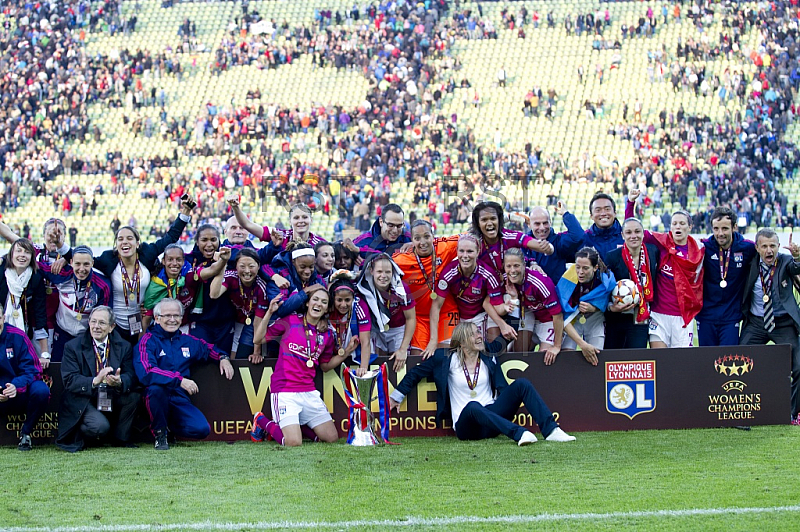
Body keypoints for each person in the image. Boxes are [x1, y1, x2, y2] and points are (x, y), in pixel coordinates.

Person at [389, 322, 575, 445]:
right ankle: (519, 434)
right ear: (461, 343)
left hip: (492, 420)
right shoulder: (445, 358)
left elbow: (506, 334)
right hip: (467, 425)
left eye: (479, 332)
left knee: (522, 384)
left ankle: (551, 430)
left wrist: (512, 303)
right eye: (473, 334)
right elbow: (415, 373)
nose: (479, 336)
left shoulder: (487, 354)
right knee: (473, 406)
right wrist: (397, 396)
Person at [251, 289, 354, 446]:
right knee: (293, 442)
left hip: (309, 391)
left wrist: (346, 353)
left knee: (332, 438)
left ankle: (295, 426)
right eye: (315, 299)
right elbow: (258, 338)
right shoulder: (290, 321)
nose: (318, 304)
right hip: (285, 391)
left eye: (324, 302)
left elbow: (325, 366)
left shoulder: (326, 334)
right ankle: (261, 421)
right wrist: (270, 313)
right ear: (307, 303)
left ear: (327, 309)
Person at [134, 298, 234, 450]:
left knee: (202, 430)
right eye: (167, 316)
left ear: (182, 319)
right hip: (155, 396)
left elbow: (207, 348)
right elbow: (146, 372)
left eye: (176, 316)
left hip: (179, 397)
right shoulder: (147, 341)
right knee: (155, 390)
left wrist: (223, 357)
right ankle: (159, 434)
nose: (172, 320)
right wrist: (179, 380)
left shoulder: (187, 340)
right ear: (157, 318)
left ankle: (168, 429)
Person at [94, 197, 194, 346]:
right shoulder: (108, 259)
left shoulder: (147, 253)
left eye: (129, 238)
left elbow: (170, 237)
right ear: (116, 245)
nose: (125, 242)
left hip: (141, 321)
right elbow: (84, 261)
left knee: (139, 356)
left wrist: (185, 211)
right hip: (115, 324)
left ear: (137, 243)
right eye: (120, 239)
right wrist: (65, 257)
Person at [56, 306, 140, 452]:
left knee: (133, 396)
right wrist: (95, 380)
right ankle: (81, 432)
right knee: (100, 427)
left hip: (111, 394)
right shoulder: (72, 347)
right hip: (83, 398)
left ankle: (120, 438)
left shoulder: (124, 346)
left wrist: (120, 381)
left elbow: (131, 375)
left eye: (101, 323)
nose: (96, 327)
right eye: (93, 322)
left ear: (111, 327)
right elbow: (69, 380)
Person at [626, 191, 704, 348]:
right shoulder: (661, 242)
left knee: (680, 364)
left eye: (682, 223)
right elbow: (632, 228)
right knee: (660, 361)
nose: (678, 227)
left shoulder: (699, 249)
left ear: (690, 227)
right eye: (674, 223)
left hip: (683, 316)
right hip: (658, 315)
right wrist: (630, 203)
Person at [739, 229, 800, 424]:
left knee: (799, 366)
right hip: (756, 323)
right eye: (764, 246)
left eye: (772, 246)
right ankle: (742, 409)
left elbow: (796, 268)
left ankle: (790, 413)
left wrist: (797, 256)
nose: (769, 250)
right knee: (739, 360)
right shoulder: (750, 265)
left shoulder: (785, 262)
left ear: (778, 246)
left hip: (783, 324)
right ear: (757, 247)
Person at [430, 234, 515, 353]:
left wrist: (505, 310)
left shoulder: (488, 275)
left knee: (485, 352)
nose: (465, 256)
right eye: (462, 251)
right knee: (447, 353)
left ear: (477, 252)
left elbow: (496, 306)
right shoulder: (449, 273)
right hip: (457, 317)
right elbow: (436, 305)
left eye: (470, 251)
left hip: (480, 316)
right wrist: (433, 340)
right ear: (457, 251)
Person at [392, 220, 460, 357]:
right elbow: (378, 267)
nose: (422, 242)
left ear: (433, 235)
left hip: (445, 313)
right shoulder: (401, 259)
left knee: (444, 356)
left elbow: (473, 235)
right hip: (419, 318)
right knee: (419, 359)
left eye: (426, 236)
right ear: (411, 239)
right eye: (417, 238)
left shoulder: (445, 246)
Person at [38, 246, 112, 360]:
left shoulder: (103, 285)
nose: (81, 269)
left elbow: (105, 316)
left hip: (87, 335)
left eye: (86, 264)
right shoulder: (61, 273)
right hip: (62, 331)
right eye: (77, 264)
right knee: (58, 369)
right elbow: (38, 266)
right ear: (71, 262)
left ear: (92, 263)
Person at [697, 207, 757, 346]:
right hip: (706, 315)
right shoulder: (703, 247)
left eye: (724, 228)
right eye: (716, 228)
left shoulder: (747, 248)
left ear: (734, 227)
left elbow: (768, 254)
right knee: (706, 361)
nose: (720, 233)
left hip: (731, 317)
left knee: (727, 360)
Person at [0, 304, 50, 451]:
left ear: (3, 317)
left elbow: (34, 370)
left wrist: (16, 386)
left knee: (41, 390)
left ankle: (26, 434)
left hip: (18, 391)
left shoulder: (18, 336)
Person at [604, 218, 659, 349]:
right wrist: (611, 307)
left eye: (637, 231)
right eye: (628, 232)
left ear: (643, 233)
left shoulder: (653, 252)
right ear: (622, 235)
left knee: (637, 357)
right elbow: (604, 288)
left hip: (641, 316)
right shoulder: (612, 257)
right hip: (617, 317)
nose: (633, 236)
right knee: (614, 360)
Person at [500, 248, 563, 359]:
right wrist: (514, 297)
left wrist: (557, 346)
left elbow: (557, 316)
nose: (512, 271)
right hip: (529, 315)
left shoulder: (539, 283)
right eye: (508, 266)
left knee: (544, 357)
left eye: (516, 265)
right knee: (517, 354)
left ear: (524, 265)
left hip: (548, 320)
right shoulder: (505, 280)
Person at [355, 253, 415, 370]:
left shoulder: (401, 289)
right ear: (371, 271)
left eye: (387, 272)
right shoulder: (364, 288)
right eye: (379, 272)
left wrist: (403, 349)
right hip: (375, 330)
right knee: (377, 363)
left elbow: (411, 318)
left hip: (398, 329)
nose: (383, 276)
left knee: (400, 364)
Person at [557, 247, 615, 366]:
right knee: (566, 356)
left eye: (585, 268)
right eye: (577, 267)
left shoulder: (606, 281)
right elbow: (563, 317)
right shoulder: (567, 279)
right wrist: (583, 345)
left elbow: (605, 301)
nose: (580, 272)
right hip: (572, 319)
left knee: (596, 356)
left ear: (595, 268)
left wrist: (594, 307)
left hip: (595, 318)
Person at [209, 248, 268, 362]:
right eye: (242, 266)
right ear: (236, 266)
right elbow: (214, 294)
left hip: (252, 323)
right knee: (233, 358)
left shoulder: (261, 287)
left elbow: (258, 321)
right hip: (234, 321)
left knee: (243, 357)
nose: (247, 271)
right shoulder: (231, 277)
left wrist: (256, 352)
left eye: (251, 266)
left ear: (258, 266)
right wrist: (222, 265)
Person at [470, 201, 553, 281]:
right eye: (484, 220)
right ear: (478, 223)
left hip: (512, 288)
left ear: (499, 220)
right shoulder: (473, 243)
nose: (489, 223)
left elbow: (532, 243)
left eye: (493, 218)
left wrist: (548, 248)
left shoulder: (510, 236)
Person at [185, 225, 236, 355]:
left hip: (225, 321)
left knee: (225, 359)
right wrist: (222, 262)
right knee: (202, 359)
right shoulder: (189, 261)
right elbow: (209, 271)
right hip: (200, 321)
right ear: (197, 241)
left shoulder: (232, 258)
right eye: (204, 240)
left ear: (219, 240)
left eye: (213, 239)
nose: (209, 244)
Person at [0, 239, 49, 367]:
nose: (22, 255)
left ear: (32, 257)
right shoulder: (1, 271)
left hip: (24, 333)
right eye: (19, 251)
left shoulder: (36, 277)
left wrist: (44, 353)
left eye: (27, 252)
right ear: (11, 254)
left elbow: (40, 313)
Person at [142, 244, 201, 332]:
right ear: (163, 261)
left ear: (183, 261)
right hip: (160, 330)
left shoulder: (190, 276)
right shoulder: (155, 284)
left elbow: (204, 273)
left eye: (178, 260)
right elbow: (147, 318)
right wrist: (140, 344)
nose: (174, 263)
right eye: (170, 259)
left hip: (184, 327)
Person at [525, 201, 585, 282]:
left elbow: (578, 235)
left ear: (550, 222)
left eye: (545, 223)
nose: (542, 228)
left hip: (556, 292)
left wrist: (565, 214)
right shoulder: (522, 243)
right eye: (537, 224)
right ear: (529, 224)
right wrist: (532, 262)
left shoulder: (558, 242)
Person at [328, 273, 372, 375]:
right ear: (333, 298)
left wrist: (363, 368)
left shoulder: (359, 305)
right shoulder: (328, 307)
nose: (343, 305)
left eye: (347, 300)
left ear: (353, 298)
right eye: (339, 300)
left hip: (356, 353)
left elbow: (365, 341)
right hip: (333, 354)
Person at [582, 193, 624, 261]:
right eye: (598, 210)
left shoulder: (626, 236)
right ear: (591, 216)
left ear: (615, 213)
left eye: (607, 209)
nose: (603, 213)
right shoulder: (585, 239)